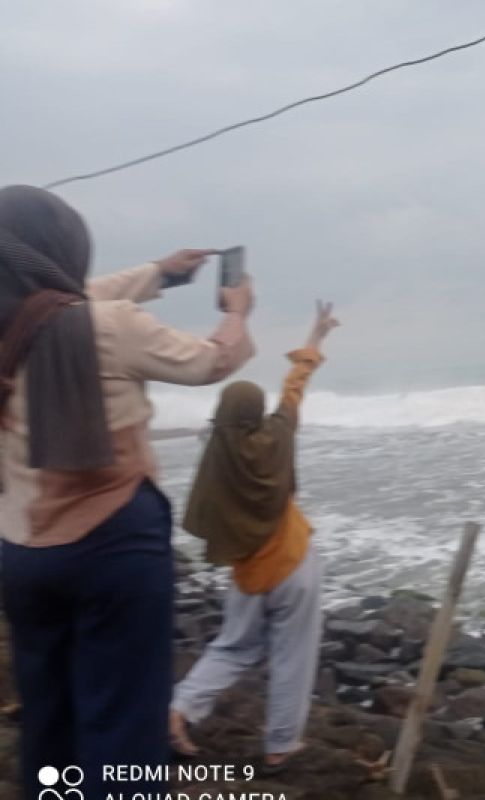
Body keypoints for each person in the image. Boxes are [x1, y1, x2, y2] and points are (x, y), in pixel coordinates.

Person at [0, 185, 255, 800]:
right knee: (124, 721)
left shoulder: (21, 324)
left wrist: (160, 273)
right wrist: (237, 312)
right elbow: (210, 364)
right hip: (112, 543)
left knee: (49, 715)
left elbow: (69, 304)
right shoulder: (108, 328)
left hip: (19, 550)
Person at [170, 300, 339, 772]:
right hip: (294, 563)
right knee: (293, 654)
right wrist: (317, 335)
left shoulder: (215, 452)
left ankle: (179, 709)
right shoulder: (278, 435)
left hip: (247, 572)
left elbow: (215, 440)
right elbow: (294, 387)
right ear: (256, 412)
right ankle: (281, 743)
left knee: (232, 646)